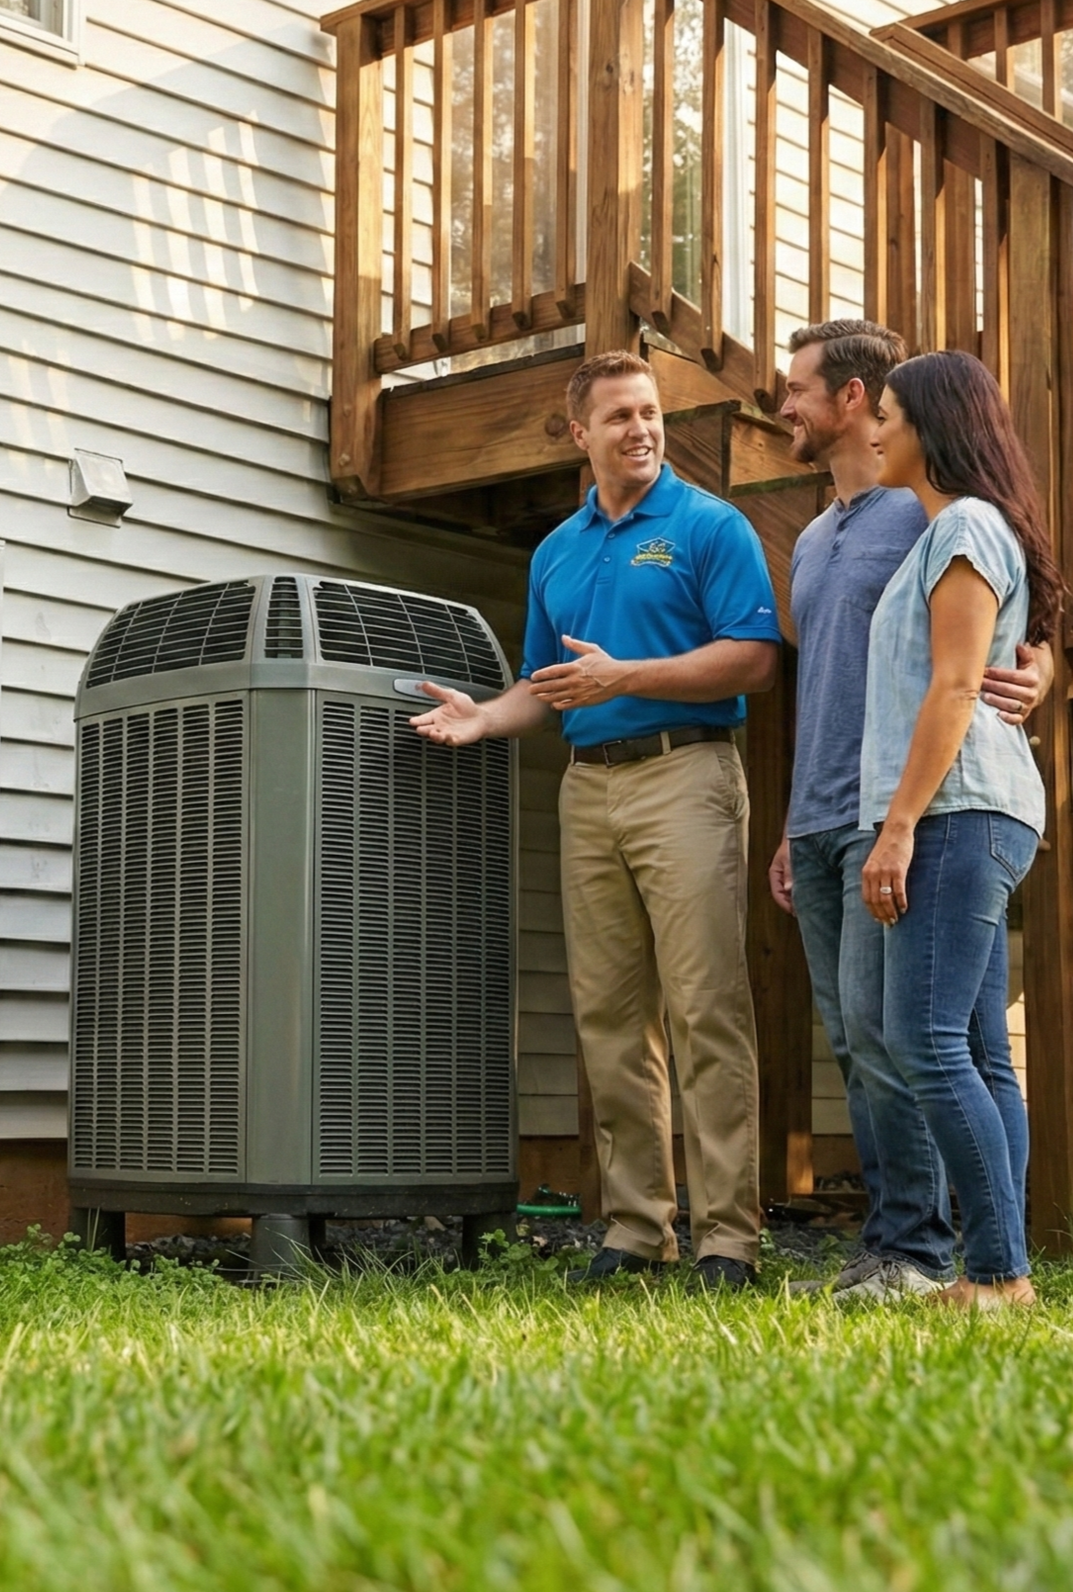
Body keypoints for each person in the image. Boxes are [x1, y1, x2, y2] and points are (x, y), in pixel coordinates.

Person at [411, 349, 781, 1291]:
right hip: (588, 786)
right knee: (610, 1017)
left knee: (704, 1009)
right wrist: (487, 717)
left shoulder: (709, 525)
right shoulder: (557, 549)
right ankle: (636, 1230)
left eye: (650, 412)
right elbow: (551, 686)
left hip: (684, 776)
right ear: (580, 434)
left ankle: (727, 1240)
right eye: (618, 416)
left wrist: (627, 675)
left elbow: (751, 660)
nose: (641, 430)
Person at [767, 322, 1049, 1304]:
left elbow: (985, 658)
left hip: (931, 808)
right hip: (844, 810)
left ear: (862, 403)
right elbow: (846, 685)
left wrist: (1038, 669)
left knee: (919, 1040)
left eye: (797, 387)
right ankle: (977, 1257)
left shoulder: (939, 518)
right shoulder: (819, 536)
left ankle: (939, 1251)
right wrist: (795, 823)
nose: (782, 406)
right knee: (908, 1038)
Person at [859, 349, 1066, 1311]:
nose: (875, 428)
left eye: (890, 414)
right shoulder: (951, 531)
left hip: (955, 810)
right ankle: (998, 1269)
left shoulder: (968, 527)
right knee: (978, 1053)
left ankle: (999, 1277)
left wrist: (896, 827)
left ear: (933, 427)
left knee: (924, 1039)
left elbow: (951, 685)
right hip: (974, 807)